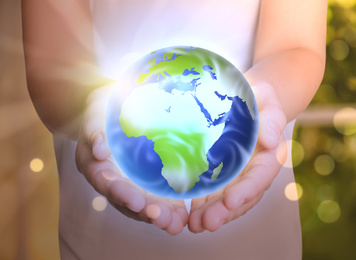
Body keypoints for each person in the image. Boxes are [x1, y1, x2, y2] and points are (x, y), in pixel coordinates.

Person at [22, 0, 327, 259]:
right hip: (100, 231)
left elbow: (297, 46)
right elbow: (51, 71)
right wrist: (101, 111)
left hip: (258, 233)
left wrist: (257, 103)